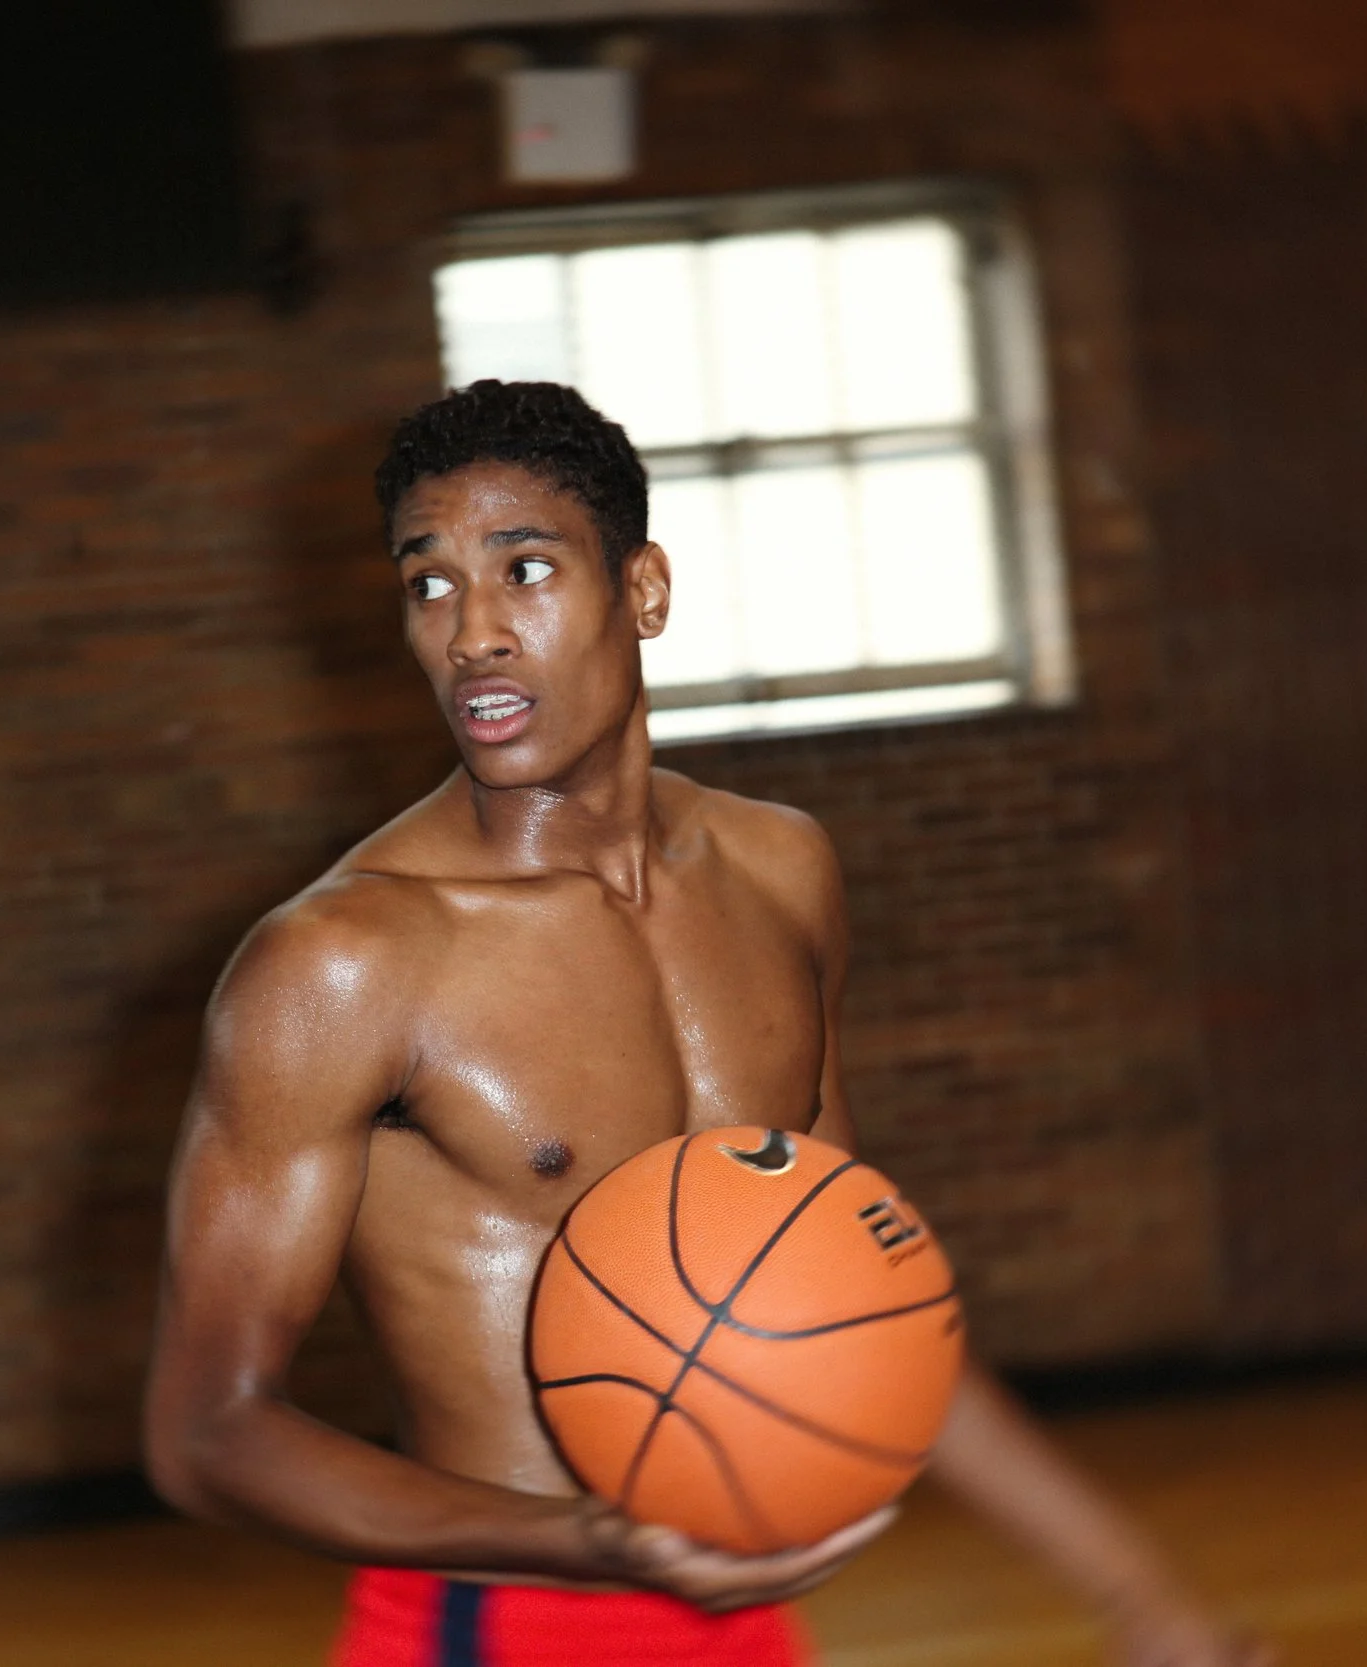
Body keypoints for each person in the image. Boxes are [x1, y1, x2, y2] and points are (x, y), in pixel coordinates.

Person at [145, 380, 1270, 1667]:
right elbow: (208, 1430)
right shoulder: (343, 962)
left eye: (523, 568)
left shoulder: (780, 872)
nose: (472, 634)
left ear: (645, 592)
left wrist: (1141, 1593)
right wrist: (590, 1539)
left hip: (731, 1618)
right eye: (430, 584)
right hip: (497, 1628)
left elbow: (857, 1288)